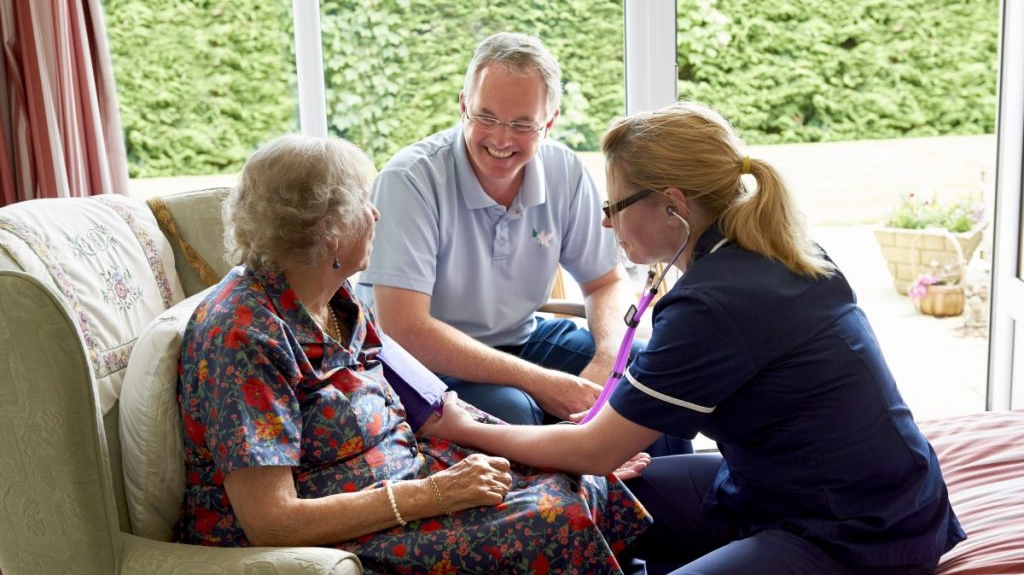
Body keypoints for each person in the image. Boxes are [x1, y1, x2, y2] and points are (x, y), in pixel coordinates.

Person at [438, 100, 967, 574]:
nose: (607, 223)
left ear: (672, 205)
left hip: (854, 530)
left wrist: (467, 428)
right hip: (790, 488)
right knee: (597, 502)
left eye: (615, 205)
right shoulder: (771, 253)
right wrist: (604, 441)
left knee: (596, 484)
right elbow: (606, 448)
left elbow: (595, 451)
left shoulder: (715, 302)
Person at [173, 135, 651, 573]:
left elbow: (441, 413)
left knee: (581, 481)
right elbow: (271, 522)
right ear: (330, 230)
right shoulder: (242, 336)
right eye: (364, 201)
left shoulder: (339, 300)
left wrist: (566, 449)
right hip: (345, 521)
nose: (376, 214)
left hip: (407, 474)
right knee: (552, 516)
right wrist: (434, 494)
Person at [358, 31, 649, 427]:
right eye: (486, 117)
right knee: (514, 409)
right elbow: (405, 330)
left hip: (520, 339)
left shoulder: (566, 171)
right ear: (463, 105)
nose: (501, 138)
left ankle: (656, 487)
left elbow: (606, 283)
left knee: (643, 375)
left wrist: (606, 362)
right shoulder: (409, 180)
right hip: (417, 362)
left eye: (522, 124)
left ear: (550, 122)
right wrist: (543, 384)